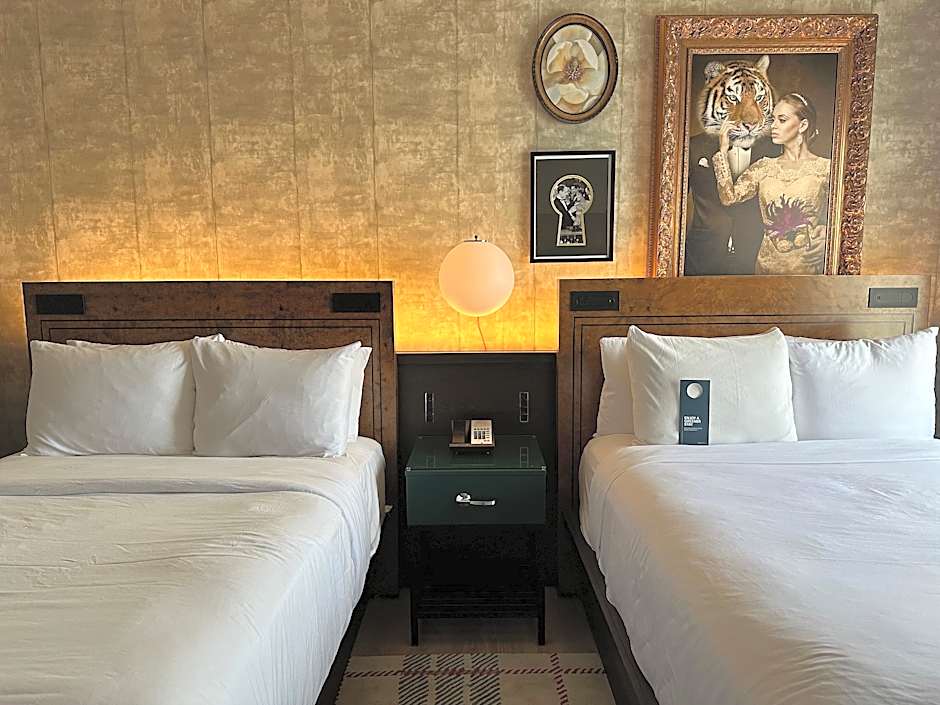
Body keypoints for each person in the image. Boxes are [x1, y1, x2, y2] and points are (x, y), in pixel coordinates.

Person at [713, 93, 831, 274]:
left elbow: (847, 217)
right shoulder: (763, 167)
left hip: (809, 267)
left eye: (782, 120)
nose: (773, 126)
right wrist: (722, 152)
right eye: (773, 119)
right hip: (767, 267)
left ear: (803, 125)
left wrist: (829, 238)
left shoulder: (827, 168)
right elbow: (728, 198)